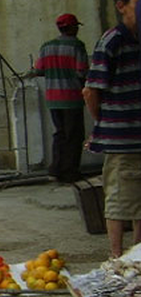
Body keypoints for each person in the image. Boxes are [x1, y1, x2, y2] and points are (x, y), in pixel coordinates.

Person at [83, 0, 141, 258]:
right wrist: (103, 126)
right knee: (119, 200)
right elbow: (91, 92)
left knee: (140, 202)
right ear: (122, 6)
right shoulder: (112, 42)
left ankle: (137, 258)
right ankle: (117, 258)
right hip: (121, 140)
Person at [34, 13, 89, 183]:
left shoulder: (46, 46)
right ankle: (70, 171)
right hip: (71, 97)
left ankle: (56, 169)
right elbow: (82, 71)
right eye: (76, 26)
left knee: (60, 133)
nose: (78, 29)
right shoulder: (77, 46)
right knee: (74, 135)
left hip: (53, 98)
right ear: (71, 28)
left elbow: (38, 69)